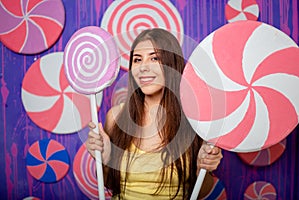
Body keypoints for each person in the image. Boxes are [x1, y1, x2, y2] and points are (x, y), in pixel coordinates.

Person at [86, 28, 223, 199]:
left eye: (154, 58)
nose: (143, 67)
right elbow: (111, 184)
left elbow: (202, 192)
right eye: (137, 60)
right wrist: (105, 160)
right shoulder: (116, 118)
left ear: (171, 64)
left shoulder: (194, 120)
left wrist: (201, 168)